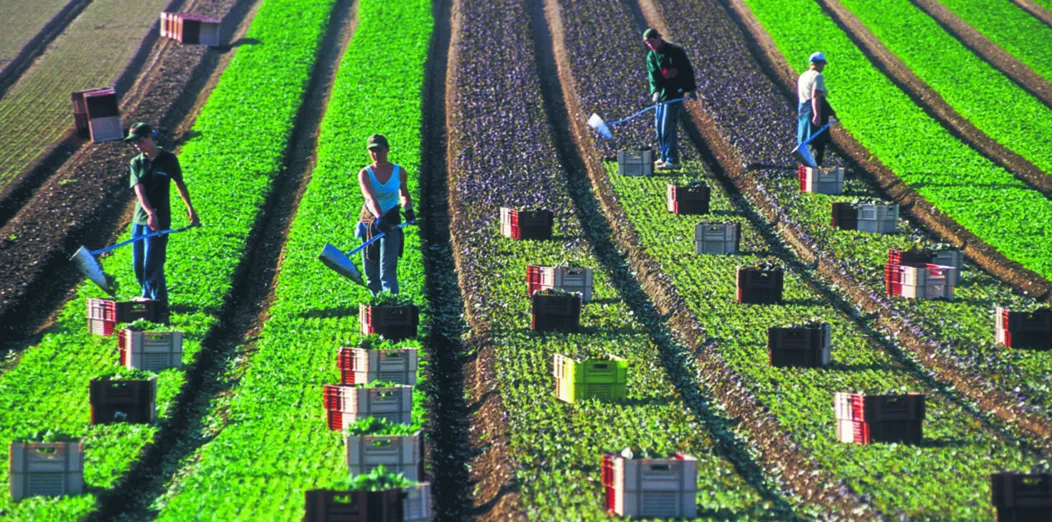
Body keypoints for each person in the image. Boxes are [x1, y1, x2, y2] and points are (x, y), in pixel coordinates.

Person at [125, 122, 199, 307]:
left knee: (153, 263)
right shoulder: (136, 162)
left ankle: (155, 302)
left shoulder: (168, 159)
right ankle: (153, 299)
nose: (136, 145)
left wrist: (190, 208)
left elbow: (179, 183)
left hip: (161, 218)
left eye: (139, 140)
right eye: (133, 142)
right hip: (140, 219)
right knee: (139, 265)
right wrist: (149, 213)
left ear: (149, 137)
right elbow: (139, 190)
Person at [356, 134, 415, 295]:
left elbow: (404, 194)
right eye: (372, 151)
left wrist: (409, 210)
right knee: (371, 270)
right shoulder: (365, 174)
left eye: (379, 150)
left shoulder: (399, 171)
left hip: (392, 221)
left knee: (387, 271)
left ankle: (391, 305)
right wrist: (379, 217)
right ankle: (376, 304)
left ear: (387, 149)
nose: (376, 154)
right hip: (370, 222)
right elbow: (370, 197)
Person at [643, 27, 697, 171]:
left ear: (659, 37)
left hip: (675, 94)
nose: (650, 45)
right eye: (648, 43)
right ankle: (663, 157)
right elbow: (653, 77)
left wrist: (690, 89)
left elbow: (687, 71)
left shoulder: (675, 52)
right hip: (662, 96)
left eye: (652, 41)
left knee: (668, 126)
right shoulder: (651, 57)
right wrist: (655, 92)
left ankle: (673, 160)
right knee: (659, 127)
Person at [797, 52, 835, 167]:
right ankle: (814, 169)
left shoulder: (803, 76)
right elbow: (816, 96)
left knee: (807, 140)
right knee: (818, 142)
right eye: (823, 64)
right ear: (820, 64)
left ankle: (807, 167)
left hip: (803, 110)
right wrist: (817, 115)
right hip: (814, 110)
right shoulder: (817, 76)